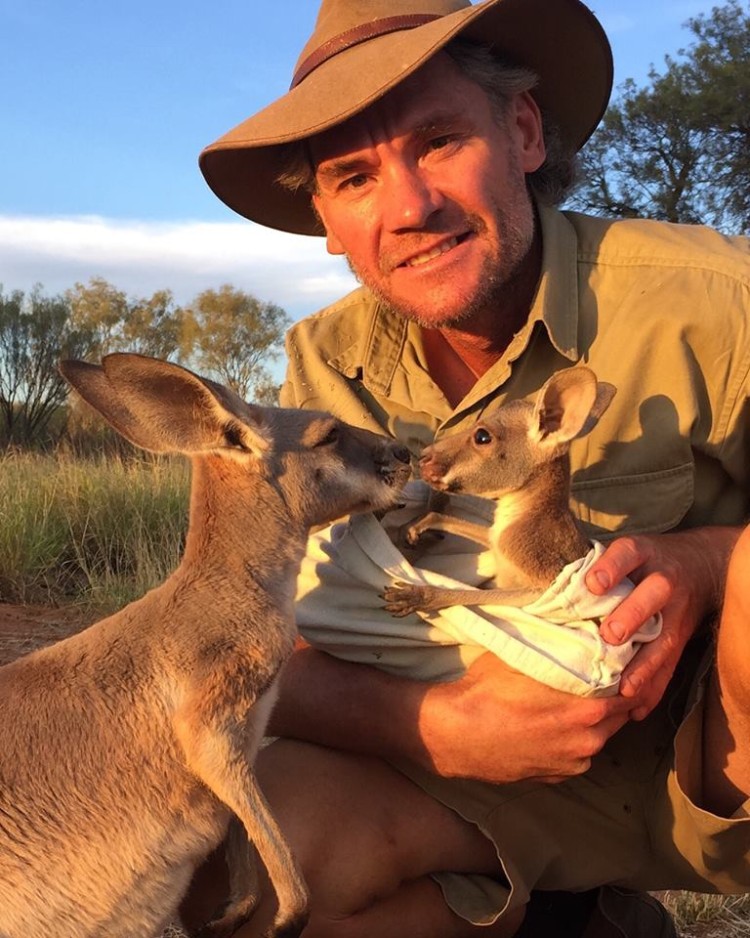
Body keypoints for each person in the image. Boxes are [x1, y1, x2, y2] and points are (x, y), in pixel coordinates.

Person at [193, 1, 750, 935]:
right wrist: (438, 729)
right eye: (356, 177)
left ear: (523, 131)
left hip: (708, 763)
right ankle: (570, 912)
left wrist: (703, 564)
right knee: (240, 880)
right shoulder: (324, 369)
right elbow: (256, 642)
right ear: (326, 217)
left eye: (440, 141)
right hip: (463, 778)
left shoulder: (711, 301)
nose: (410, 208)